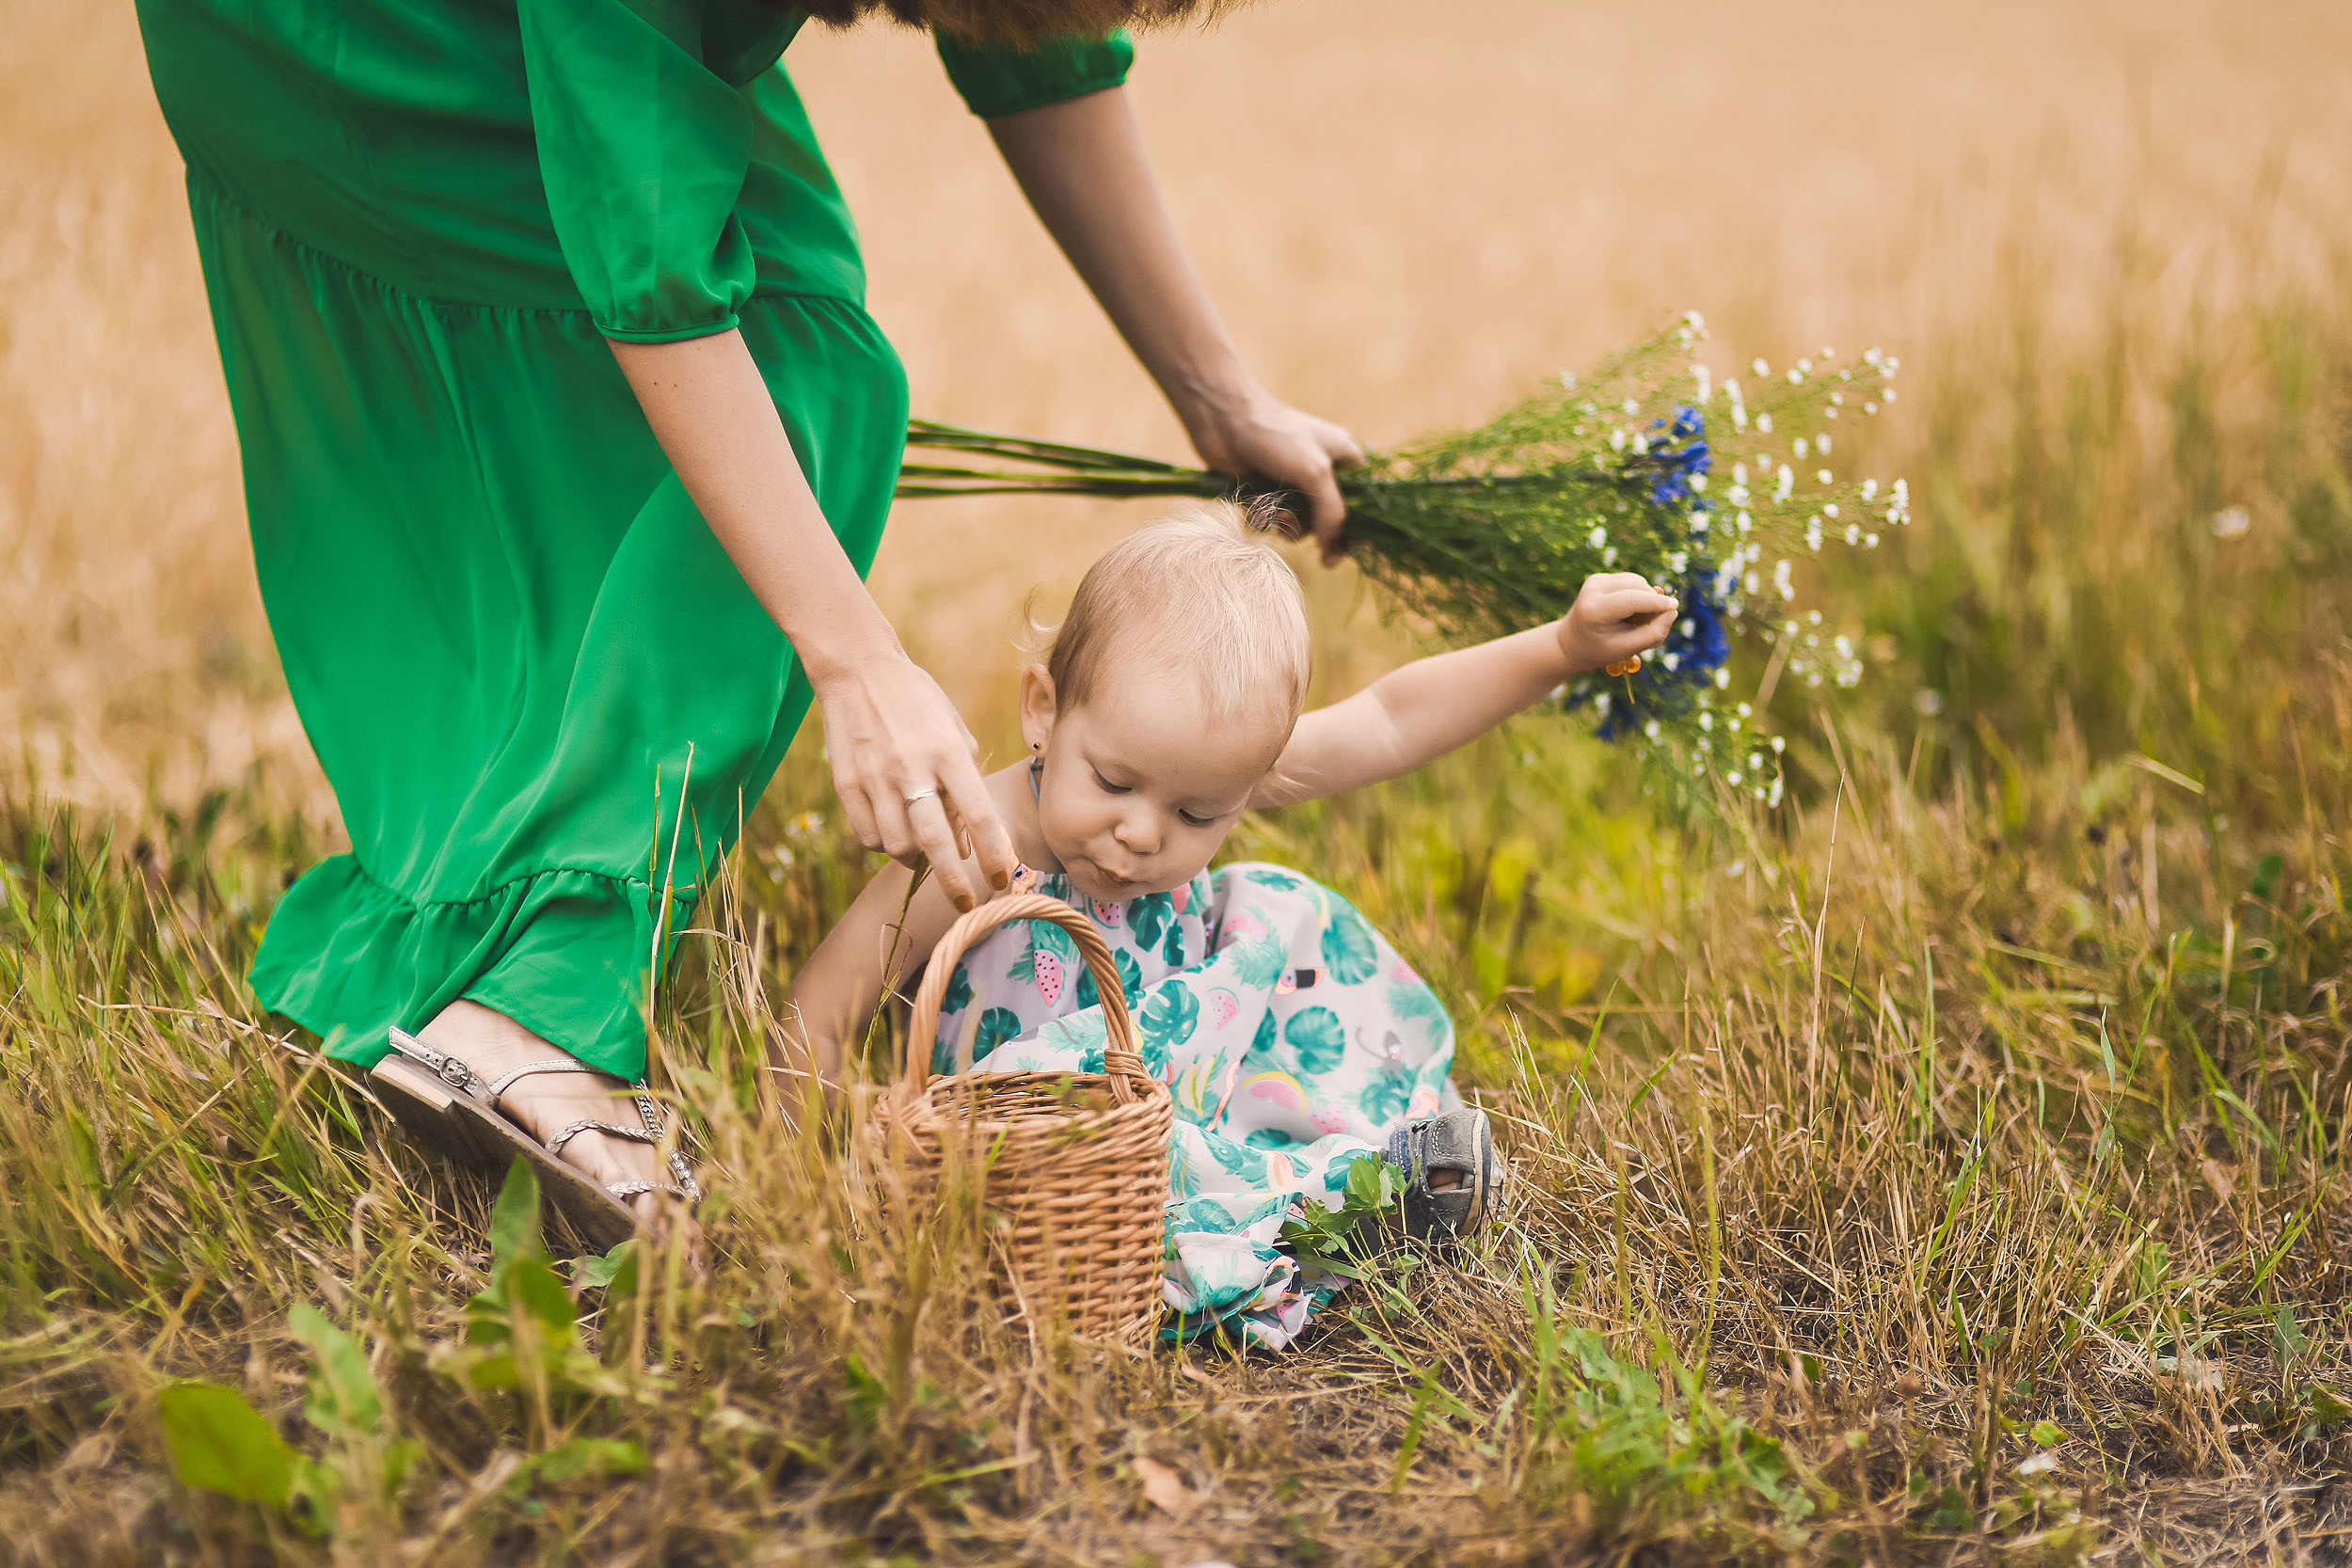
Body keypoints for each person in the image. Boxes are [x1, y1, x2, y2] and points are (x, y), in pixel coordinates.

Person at [131, 0, 1365, 1243]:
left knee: (786, 306)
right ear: (1043, 704)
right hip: (349, 35)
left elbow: (1032, 32)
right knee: (793, 358)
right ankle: (531, 1015)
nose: (1149, 831)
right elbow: (654, 271)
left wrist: (1214, 390)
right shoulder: (1016, 817)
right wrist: (855, 656)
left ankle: (494, 945)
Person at [786, 503, 1677, 1343]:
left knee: (1270, 979)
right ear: (1043, 709)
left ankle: (1369, 1178)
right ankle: (1339, 1202)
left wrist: (1563, 646)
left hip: (1190, 1089)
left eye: (1200, 815)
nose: (1141, 833)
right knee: (1170, 1171)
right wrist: (807, 1174)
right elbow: (826, 1002)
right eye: (1114, 783)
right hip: (1053, 1138)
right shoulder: (976, 842)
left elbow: (1392, 720)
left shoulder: (1204, 757)